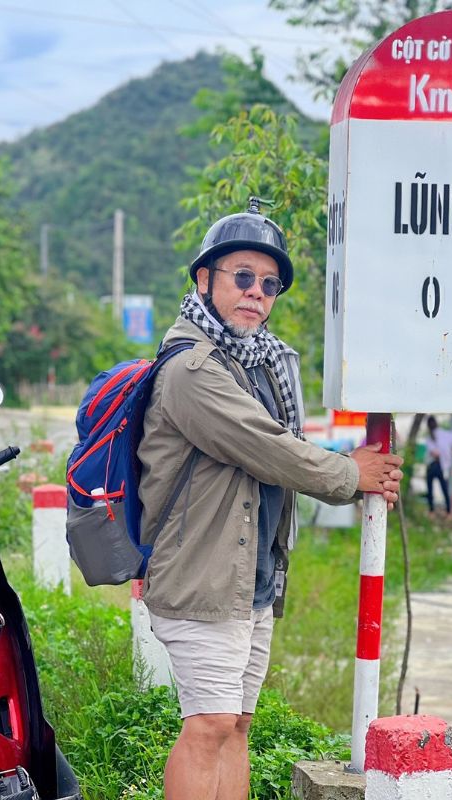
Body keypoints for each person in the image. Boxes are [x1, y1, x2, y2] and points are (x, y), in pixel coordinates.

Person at [136, 198, 403, 800]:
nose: (257, 292)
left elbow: (281, 448)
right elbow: (270, 449)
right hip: (202, 576)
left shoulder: (257, 362)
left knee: (236, 726)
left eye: (270, 283)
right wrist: (347, 474)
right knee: (207, 727)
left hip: (248, 575)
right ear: (204, 280)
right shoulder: (194, 368)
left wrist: (344, 469)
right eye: (243, 277)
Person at [424, 415, 452, 515]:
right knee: (445, 489)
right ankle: (448, 511)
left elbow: (434, 453)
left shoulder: (429, 437)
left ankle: (431, 511)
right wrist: (448, 455)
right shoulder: (447, 434)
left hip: (431, 465)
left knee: (430, 489)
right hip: (442, 466)